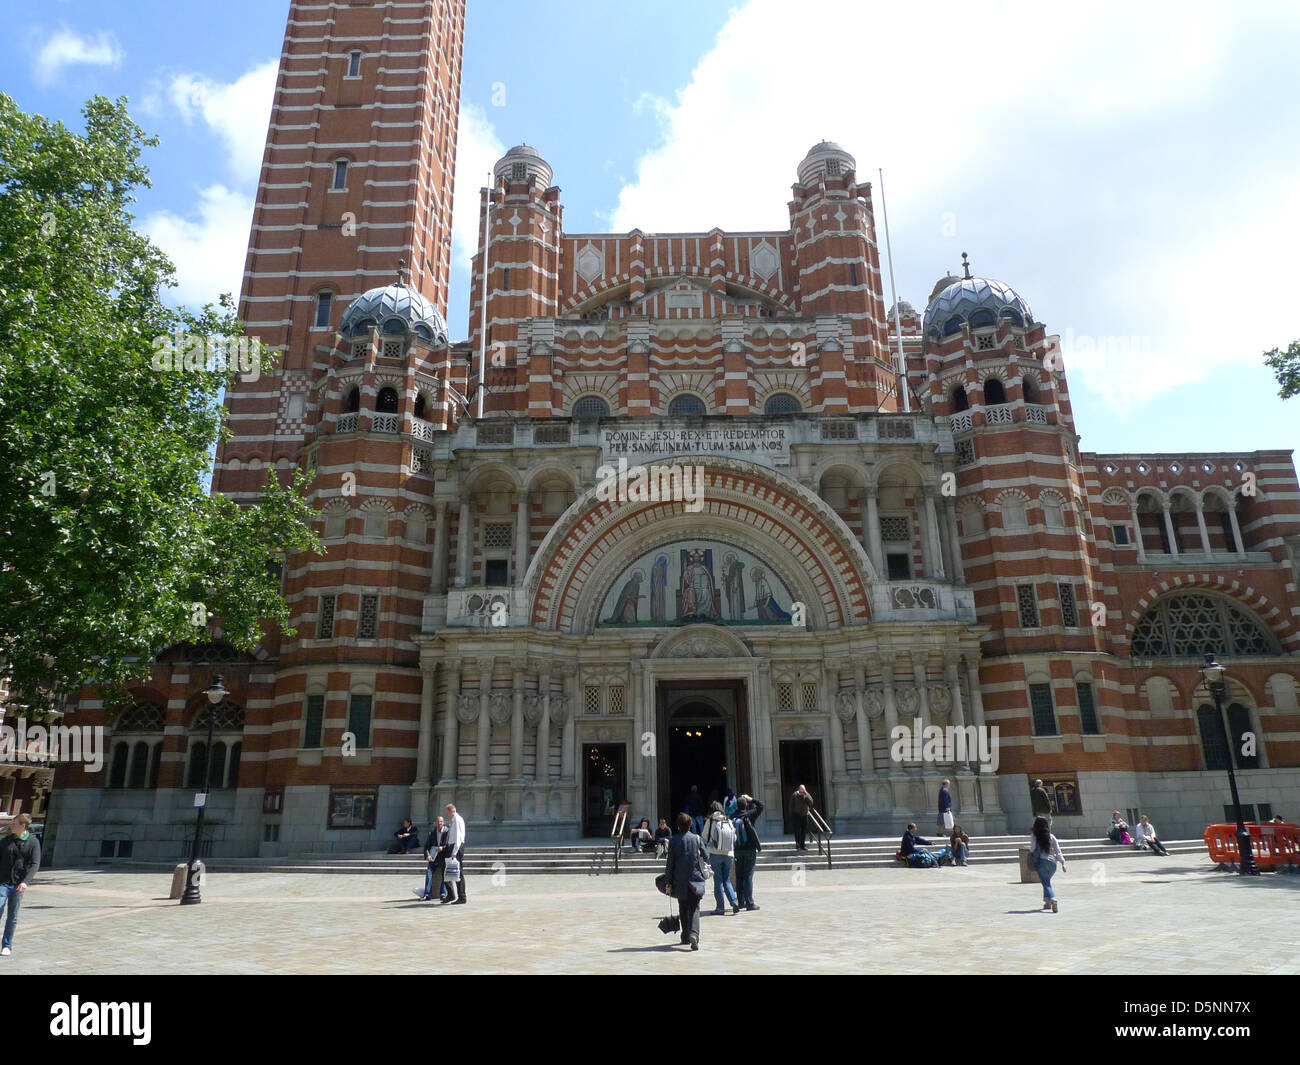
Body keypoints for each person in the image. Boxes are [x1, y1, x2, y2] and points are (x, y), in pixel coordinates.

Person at [665, 812, 708, 950]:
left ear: (678, 826)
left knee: (683, 907)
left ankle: (685, 935)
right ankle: (694, 934)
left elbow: (670, 863)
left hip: (679, 880)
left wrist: (668, 881)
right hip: (695, 879)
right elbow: (706, 856)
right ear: (690, 825)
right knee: (695, 907)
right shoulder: (697, 838)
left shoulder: (673, 840)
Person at [0, 813, 41, 956]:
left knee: (12, 916)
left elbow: (35, 864)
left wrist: (25, 882)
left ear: (23, 825)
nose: (12, 825)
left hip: (18, 884)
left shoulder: (33, 842)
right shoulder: (6, 841)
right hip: (2, 882)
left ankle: (7, 945)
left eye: (14, 823)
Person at [703, 801, 740, 916]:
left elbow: (704, 836)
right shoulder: (728, 820)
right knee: (727, 879)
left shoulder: (710, 820)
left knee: (718, 881)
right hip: (729, 854)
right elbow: (734, 837)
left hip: (715, 854)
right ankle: (734, 901)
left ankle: (720, 907)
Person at [732, 794, 763, 911]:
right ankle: (749, 902)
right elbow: (761, 805)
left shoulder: (732, 816)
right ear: (746, 805)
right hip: (750, 849)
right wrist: (751, 799)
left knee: (739, 876)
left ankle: (740, 902)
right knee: (748, 875)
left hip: (737, 850)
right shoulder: (750, 815)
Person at [1029, 815, 1066, 913]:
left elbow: (1032, 849)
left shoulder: (1035, 836)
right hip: (1053, 863)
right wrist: (1062, 862)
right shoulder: (1051, 836)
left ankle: (1053, 899)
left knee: (1045, 883)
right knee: (1046, 882)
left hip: (1042, 862)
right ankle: (1047, 902)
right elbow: (1058, 850)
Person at [440, 803, 467, 904]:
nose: (446, 814)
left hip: (456, 848)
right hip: (452, 847)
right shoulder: (454, 819)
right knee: (447, 870)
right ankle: (451, 895)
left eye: (446, 812)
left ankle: (462, 897)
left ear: (450, 811)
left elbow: (458, 837)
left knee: (458, 872)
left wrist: (454, 851)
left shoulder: (456, 819)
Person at [421, 816, 448, 901]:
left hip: (443, 857)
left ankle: (443, 893)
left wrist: (442, 848)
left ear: (443, 822)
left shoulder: (447, 832)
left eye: (441, 822)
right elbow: (426, 847)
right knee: (429, 873)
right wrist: (428, 855)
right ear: (435, 823)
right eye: (438, 822)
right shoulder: (432, 833)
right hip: (433, 858)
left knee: (444, 875)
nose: (439, 823)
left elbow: (449, 845)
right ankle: (427, 894)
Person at [791, 784, 813, 851]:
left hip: (804, 815)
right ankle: (797, 844)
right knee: (797, 830)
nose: (802, 791)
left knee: (803, 830)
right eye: (801, 790)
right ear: (799, 789)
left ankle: (802, 845)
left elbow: (811, 802)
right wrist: (792, 814)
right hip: (796, 815)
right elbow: (791, 805)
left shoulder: (806, 794)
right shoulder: (795, 795)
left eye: (803, 790)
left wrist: (806, 794)